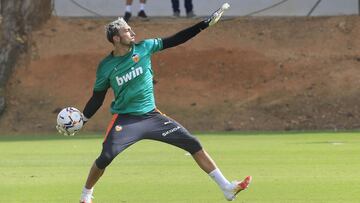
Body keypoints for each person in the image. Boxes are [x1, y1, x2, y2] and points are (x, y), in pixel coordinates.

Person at [57, 6, 252, 203]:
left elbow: (176, 39)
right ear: (116, 38)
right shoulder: (106, 66)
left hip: (152, 117)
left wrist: (204, 25)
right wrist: (83, 119)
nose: (132, 33)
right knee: (106, 156)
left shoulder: (144, 47)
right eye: (127, 30)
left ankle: (227, 188)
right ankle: (86, 195)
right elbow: (97, 97)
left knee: (193, 144)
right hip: (126, 120)